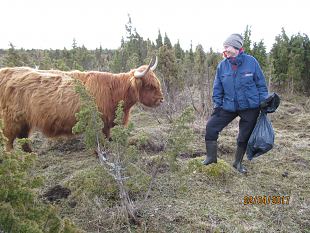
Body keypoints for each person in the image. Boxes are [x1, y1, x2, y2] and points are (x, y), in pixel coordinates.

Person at [203, 33, 268, 174]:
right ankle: (211, 158)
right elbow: (217, 87)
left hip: (250, 106)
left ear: (236, 47)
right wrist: (217, 104)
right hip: (228, 106)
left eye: (227, 46)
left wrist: (264, 101)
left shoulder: (251, 62)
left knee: (244, 135)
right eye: (224, 47)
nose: (225, 49)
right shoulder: (222, 66)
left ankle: (237, 163)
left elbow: (261, 85)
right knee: (211, 127)